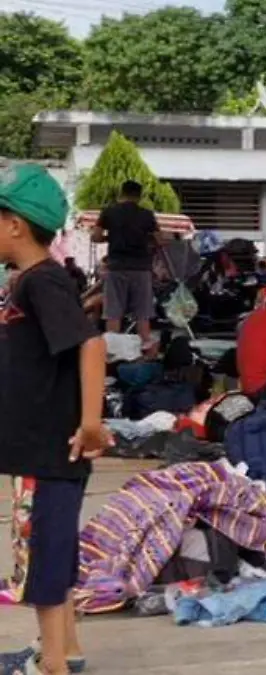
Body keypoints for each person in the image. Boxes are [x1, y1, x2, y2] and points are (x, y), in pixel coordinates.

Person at [0, 164, 111, 675]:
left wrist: (91, 423)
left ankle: (51, 666)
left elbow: (90, 344)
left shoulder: (40, 282)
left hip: (47, 449)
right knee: (56, 552)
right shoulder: (33, 281)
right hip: (44, 448)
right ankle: (66, 650)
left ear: (15, 225)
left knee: (42, 557)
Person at [90, 180, 160, 352]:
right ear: (140, 196)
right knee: (143, 313)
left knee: (113, 312)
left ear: (122, 193)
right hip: (141, 268)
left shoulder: (109, 212)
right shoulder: (146, 214)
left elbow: (95, 237)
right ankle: (145, 350)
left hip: (116, 267)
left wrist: (111, 238)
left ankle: (112, 353)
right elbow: (160, 239)